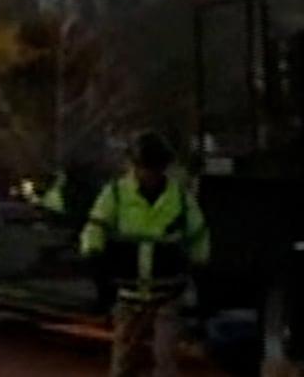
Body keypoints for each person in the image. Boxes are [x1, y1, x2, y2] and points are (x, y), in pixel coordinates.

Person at [81, 132, 209, 377]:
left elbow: (198, 234)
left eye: (154, 168)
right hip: (127, 292)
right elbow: (95, 227)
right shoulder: (116, 194)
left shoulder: (179, 197)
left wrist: (198, 265)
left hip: (167, 292)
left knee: (165, 358)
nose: (148, 174)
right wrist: (94, 257)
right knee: (124, 358)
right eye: (144, 167)